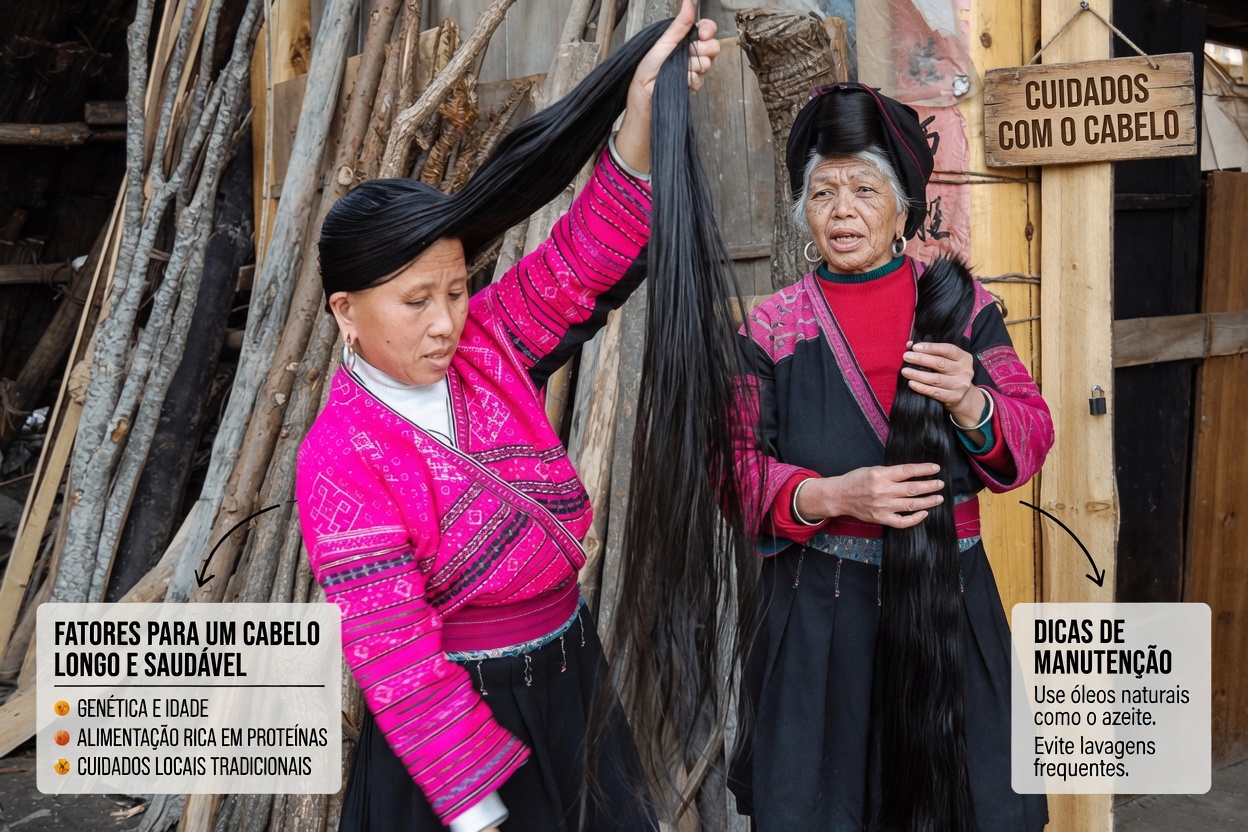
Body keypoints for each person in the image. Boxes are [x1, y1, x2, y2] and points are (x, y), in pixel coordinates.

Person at [294, 6, 721, 831]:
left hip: (570, 681)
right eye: (416, 302)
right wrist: (476, 809)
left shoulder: (488, 344)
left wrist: (639, 113)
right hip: (459, 733)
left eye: (455, 291)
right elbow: (397, 653)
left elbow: (583, 255)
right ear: (346, 311)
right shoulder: (340, 456)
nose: (447, 321)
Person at [727, 82, 1053, 830]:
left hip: (945, 602)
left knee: (972, 806)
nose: (842, 212)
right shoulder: (773, 327)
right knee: (825, 809)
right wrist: (835, 495)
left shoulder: (962, 311)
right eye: (823, 193)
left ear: (905, 204)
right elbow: (734, 468)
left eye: (864, 189)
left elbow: (1032, 432)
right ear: (803, 210)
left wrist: (974, 402)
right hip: (819, 616)